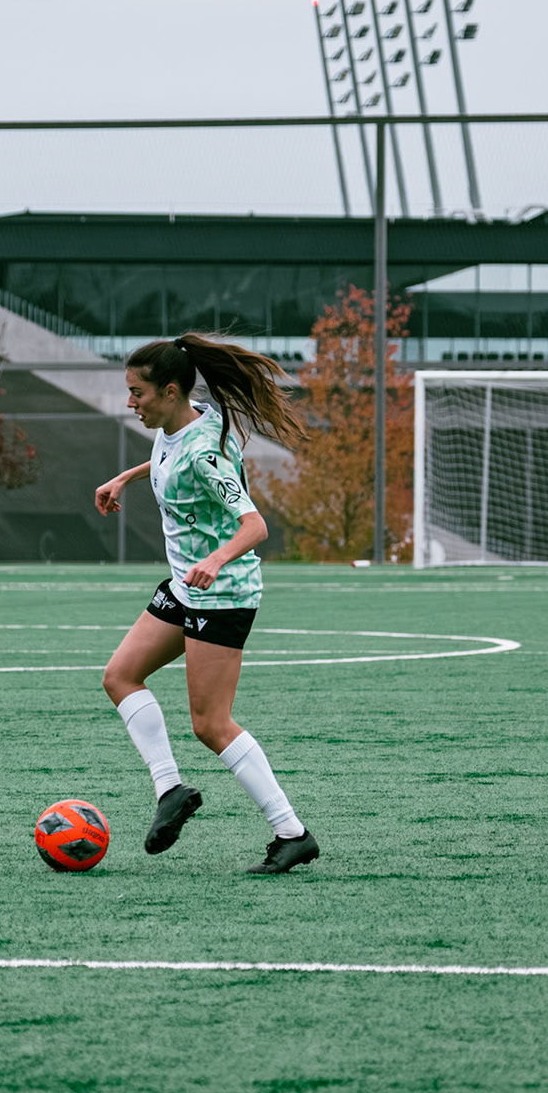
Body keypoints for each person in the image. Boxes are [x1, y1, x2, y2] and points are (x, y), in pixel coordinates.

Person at [92, 333, 320, 874]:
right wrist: (127, 474)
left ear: (170, 391)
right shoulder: (186, 419)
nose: (131, 403)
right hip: (185, 583)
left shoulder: (204, 451)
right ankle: (170, 789)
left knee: (211, 724)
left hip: (222, 593)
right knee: (120, 676)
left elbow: (254, 524)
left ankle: (292, 832)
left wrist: (216, 561)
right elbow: (174, 457)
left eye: (137, 394)